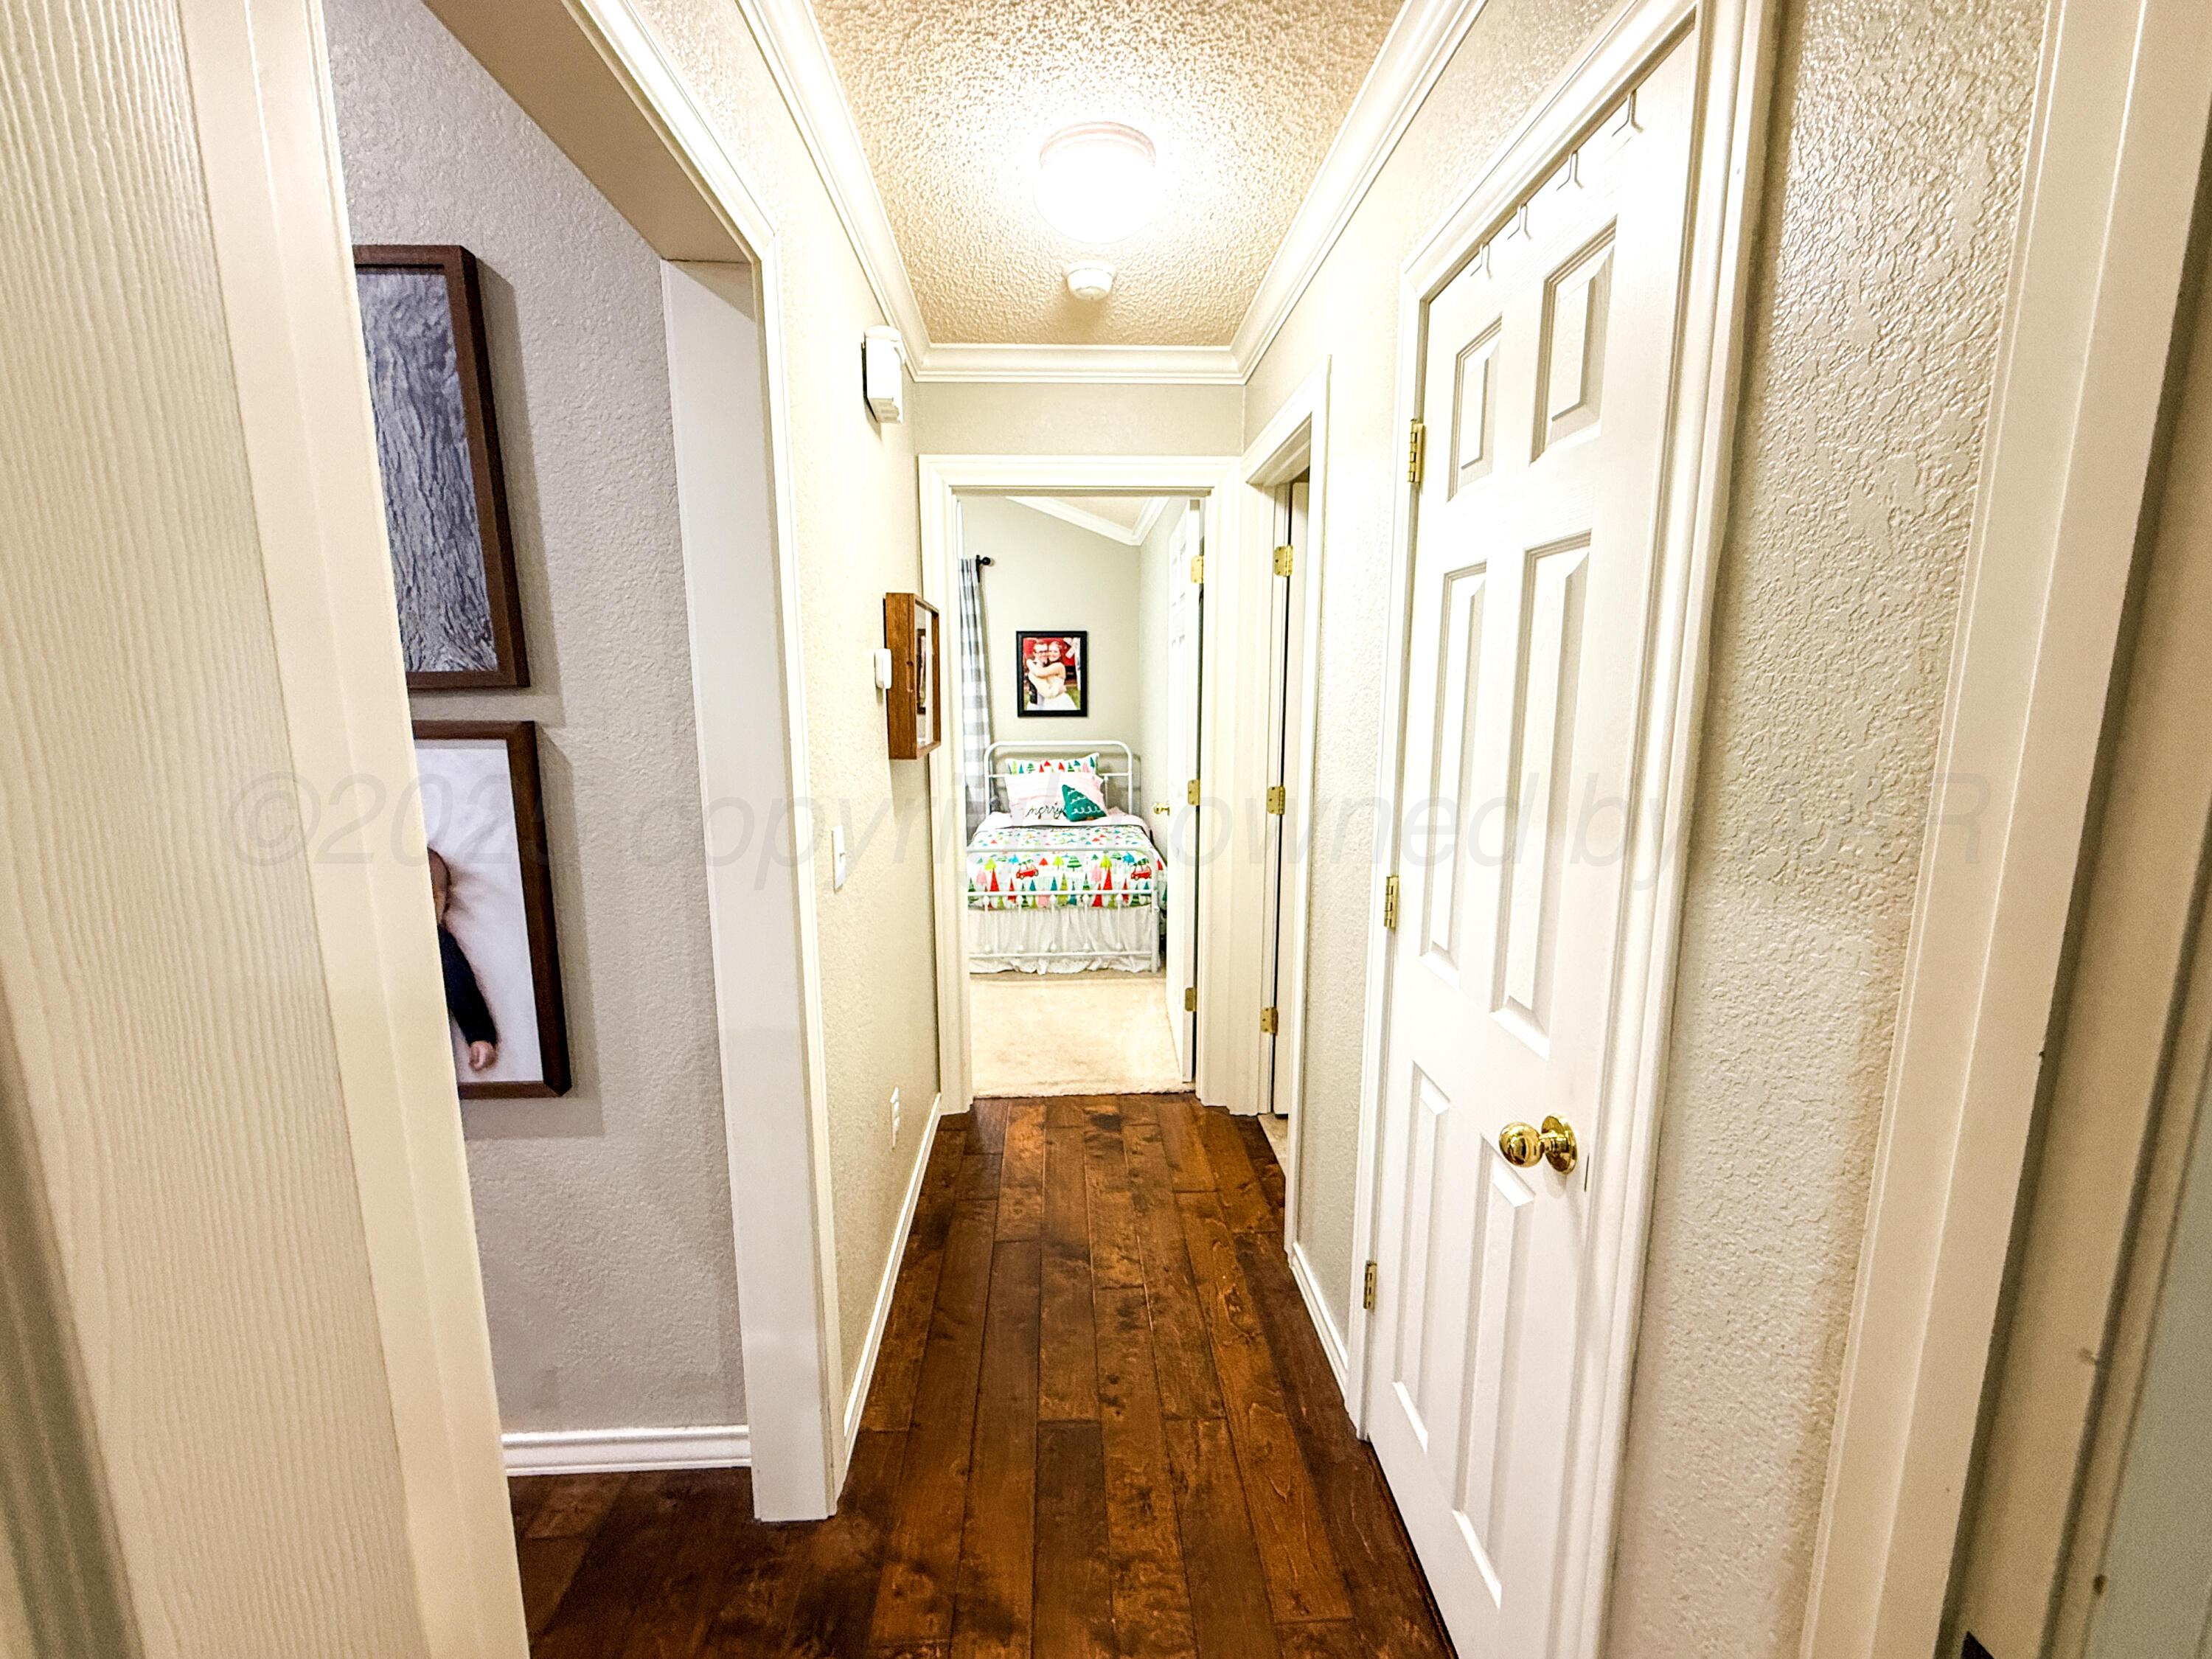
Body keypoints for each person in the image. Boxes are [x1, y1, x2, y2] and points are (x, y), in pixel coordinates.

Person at [428, 846, 499, 1073]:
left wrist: (479, 1035)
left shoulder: (438, 942)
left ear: (445, 905)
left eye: (434, 897)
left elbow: (460, 984)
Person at [1023, 634, 1080, 713]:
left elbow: (1039, 673)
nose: (1051, 654)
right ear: (1035, 654)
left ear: (1060, 654)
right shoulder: (1044, 666)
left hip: (1059, 701)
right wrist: (1028, 661)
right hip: (1041, 704)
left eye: (1055, 651)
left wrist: (1028, 662)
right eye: (1050, 651)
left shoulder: (1058, 666)